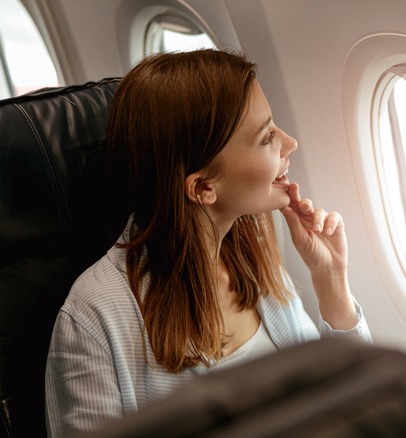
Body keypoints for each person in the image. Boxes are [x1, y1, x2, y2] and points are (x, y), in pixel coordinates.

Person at [44, 49, 371, 436]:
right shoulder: (93, 318)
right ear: (203, 187)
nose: (291, 142)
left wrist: (331, 280)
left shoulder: (250, 256)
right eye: (267, 137)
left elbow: (352, 400)